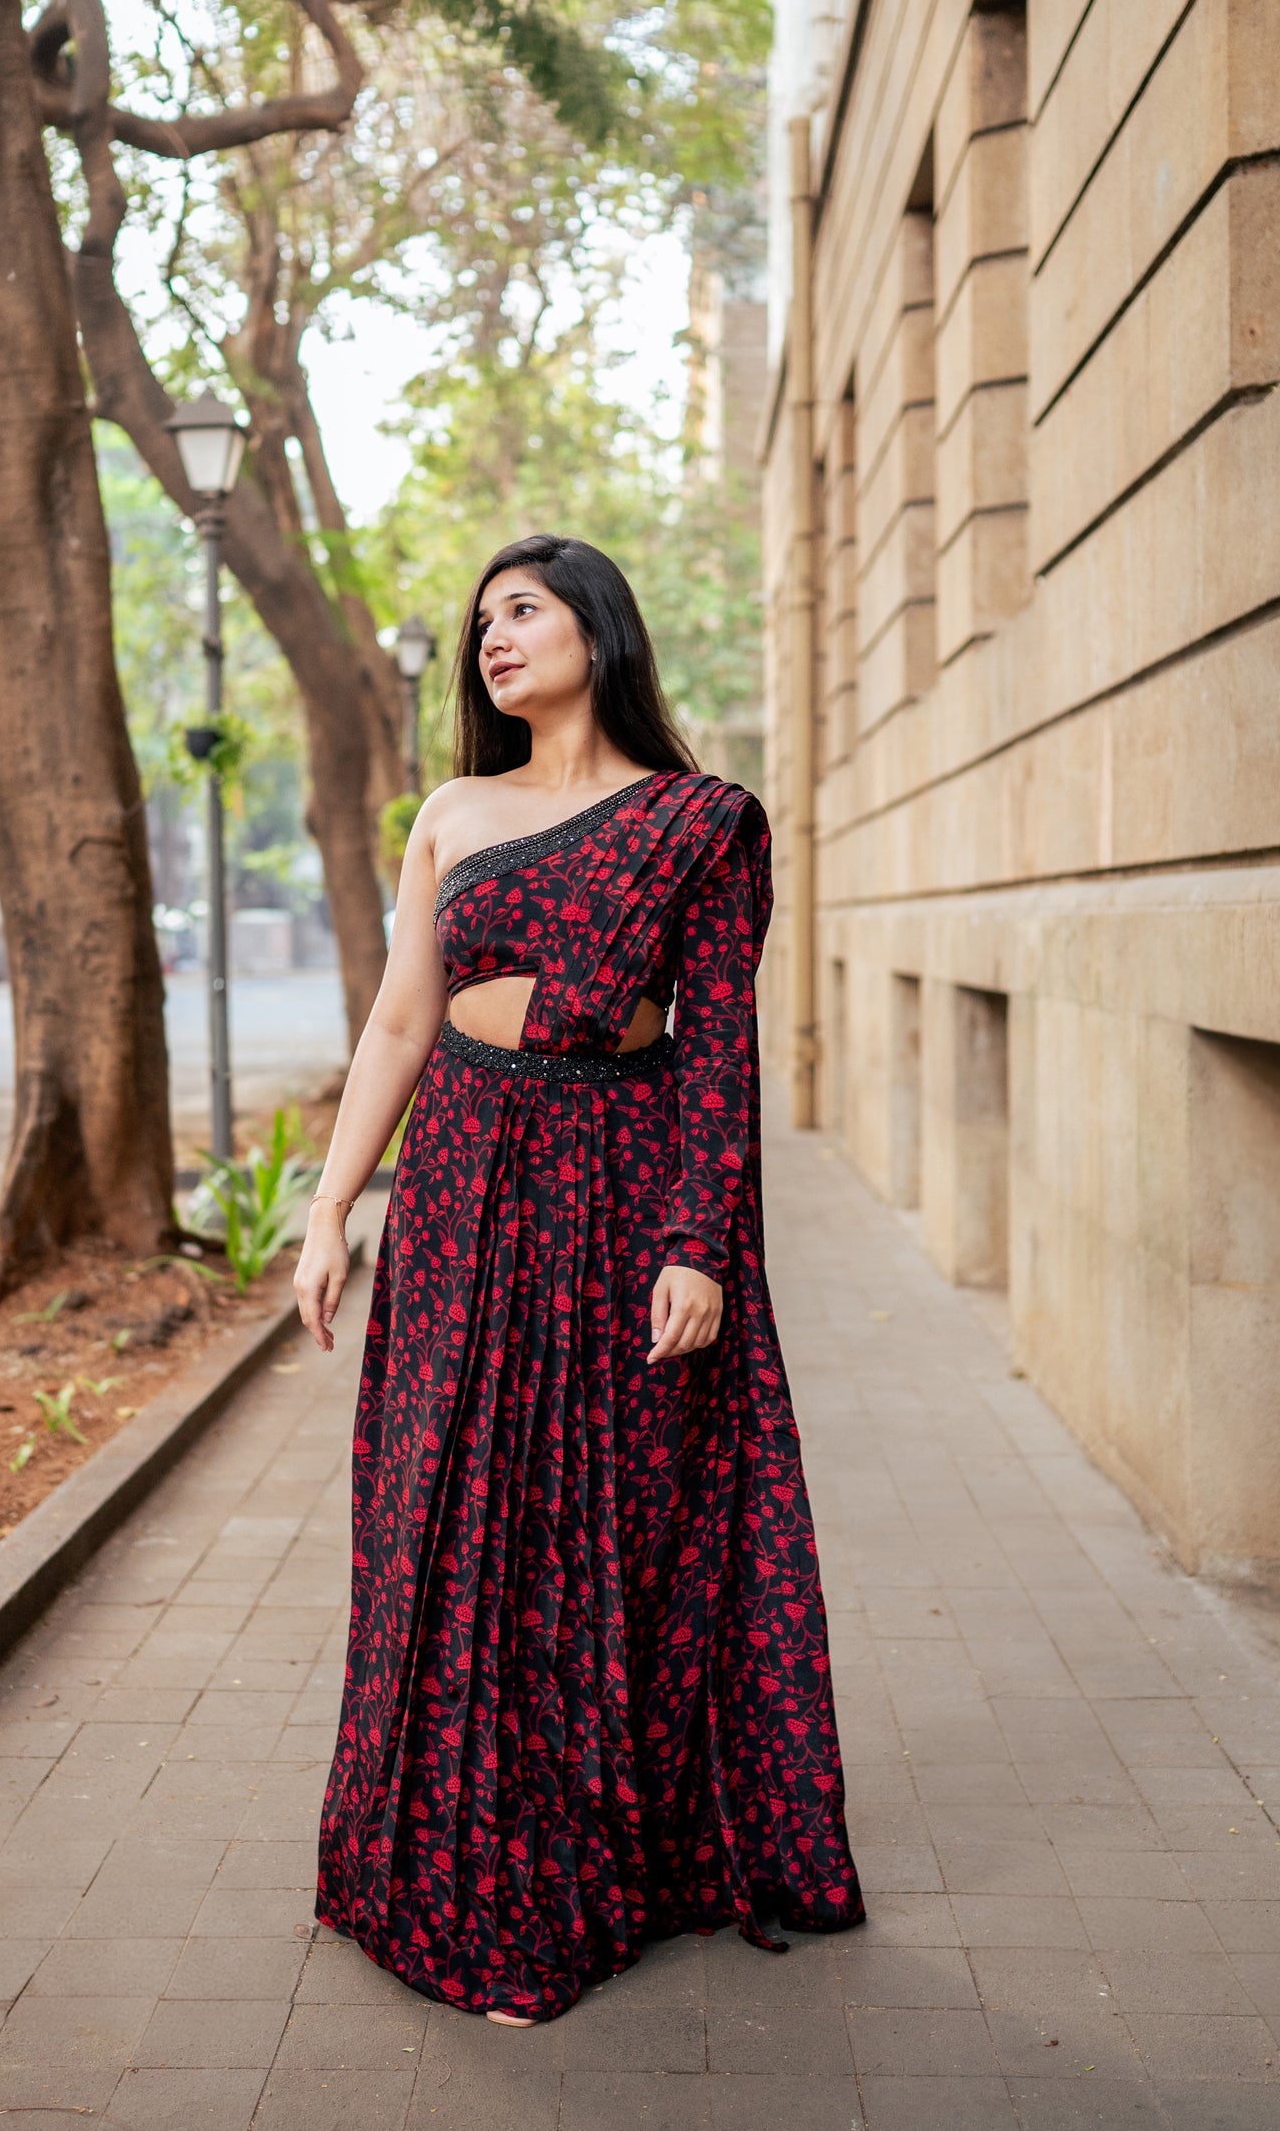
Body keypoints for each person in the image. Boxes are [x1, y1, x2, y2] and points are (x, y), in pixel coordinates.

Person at [294, 533, 862, 2025]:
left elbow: (716, 1054)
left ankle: (571, 1881)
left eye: (523, 610)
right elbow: (400, 1029)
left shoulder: (700, 822)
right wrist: (333, 1202)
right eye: (482, 618)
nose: (494, 635)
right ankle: (440, 1869)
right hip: (463, 1193)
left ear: (598, 626)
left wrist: (700, 1242)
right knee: (441, 1517)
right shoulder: (452, 812)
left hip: (609, 1199)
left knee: (578, 1533)